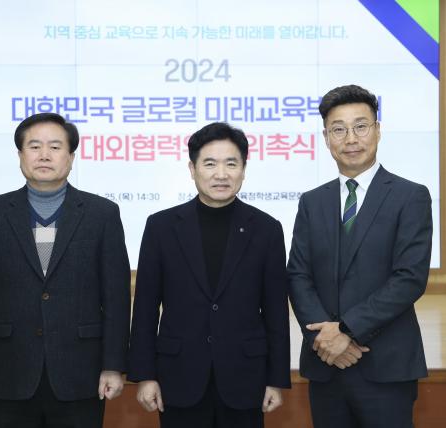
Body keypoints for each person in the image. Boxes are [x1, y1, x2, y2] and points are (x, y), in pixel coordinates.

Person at [0, 112, 131, 428]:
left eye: (55, 147)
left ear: (71, 157)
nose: (44, 155)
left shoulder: (102, 214)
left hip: (81, 375)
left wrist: (113, 365)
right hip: (8, 374)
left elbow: (116, 299)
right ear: (20, 155)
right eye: (34, 146)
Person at [128, 122, 291, 428]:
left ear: (243, 169)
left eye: (231, 164)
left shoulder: (267, 229)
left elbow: (275, 311)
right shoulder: (161, 227)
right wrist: (145, 375)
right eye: (210, 164)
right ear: (192, 169)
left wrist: (276, 379)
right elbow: (146, 307)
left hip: (246, 378)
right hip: (179, 376)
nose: (221, 174)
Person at [287, 84, 432, 428]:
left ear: (377, 130)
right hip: (326, 365)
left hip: (386, 366)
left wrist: (347, 332)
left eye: (360, 126)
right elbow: (298, 276)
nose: (351, 138)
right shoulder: (312, 202)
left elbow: (409, 278)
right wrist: (325, 340)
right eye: (339, 129)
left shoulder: (410, 196)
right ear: (326, 138)